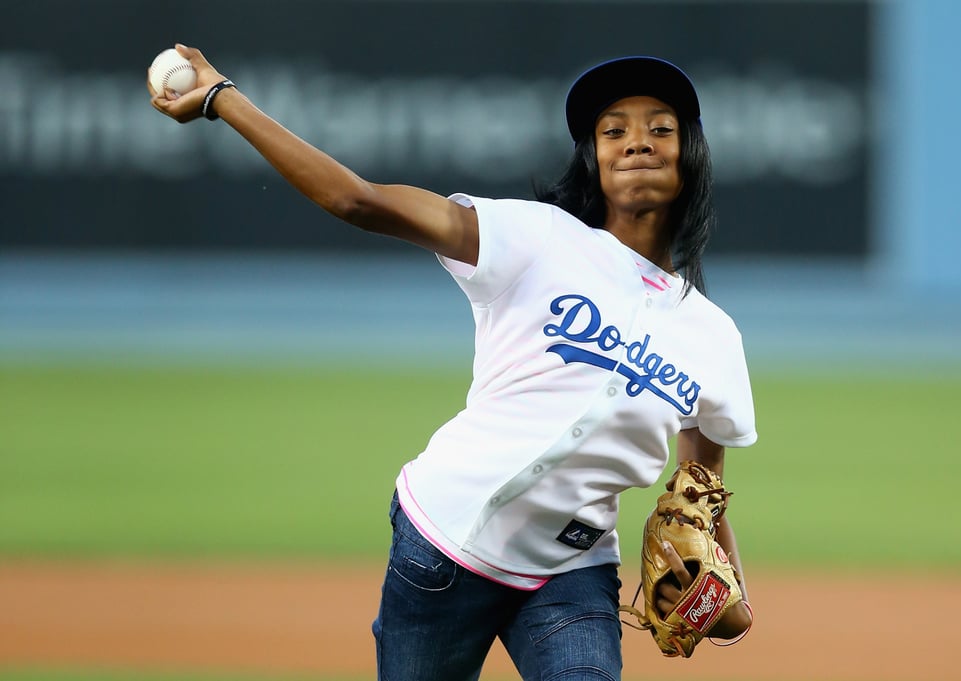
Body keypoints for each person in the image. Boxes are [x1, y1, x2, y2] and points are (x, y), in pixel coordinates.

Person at [150, 46, 757, 681]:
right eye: (614, 131)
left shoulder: (712, 337)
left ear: (691, 156)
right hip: (441, 544)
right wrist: (225, 99)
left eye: (661, 128)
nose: (638, 142)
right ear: (593, 160)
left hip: (569, 576)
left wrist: (732, 610)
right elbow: (359, 201)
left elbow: (702, 496)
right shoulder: (533, 238)